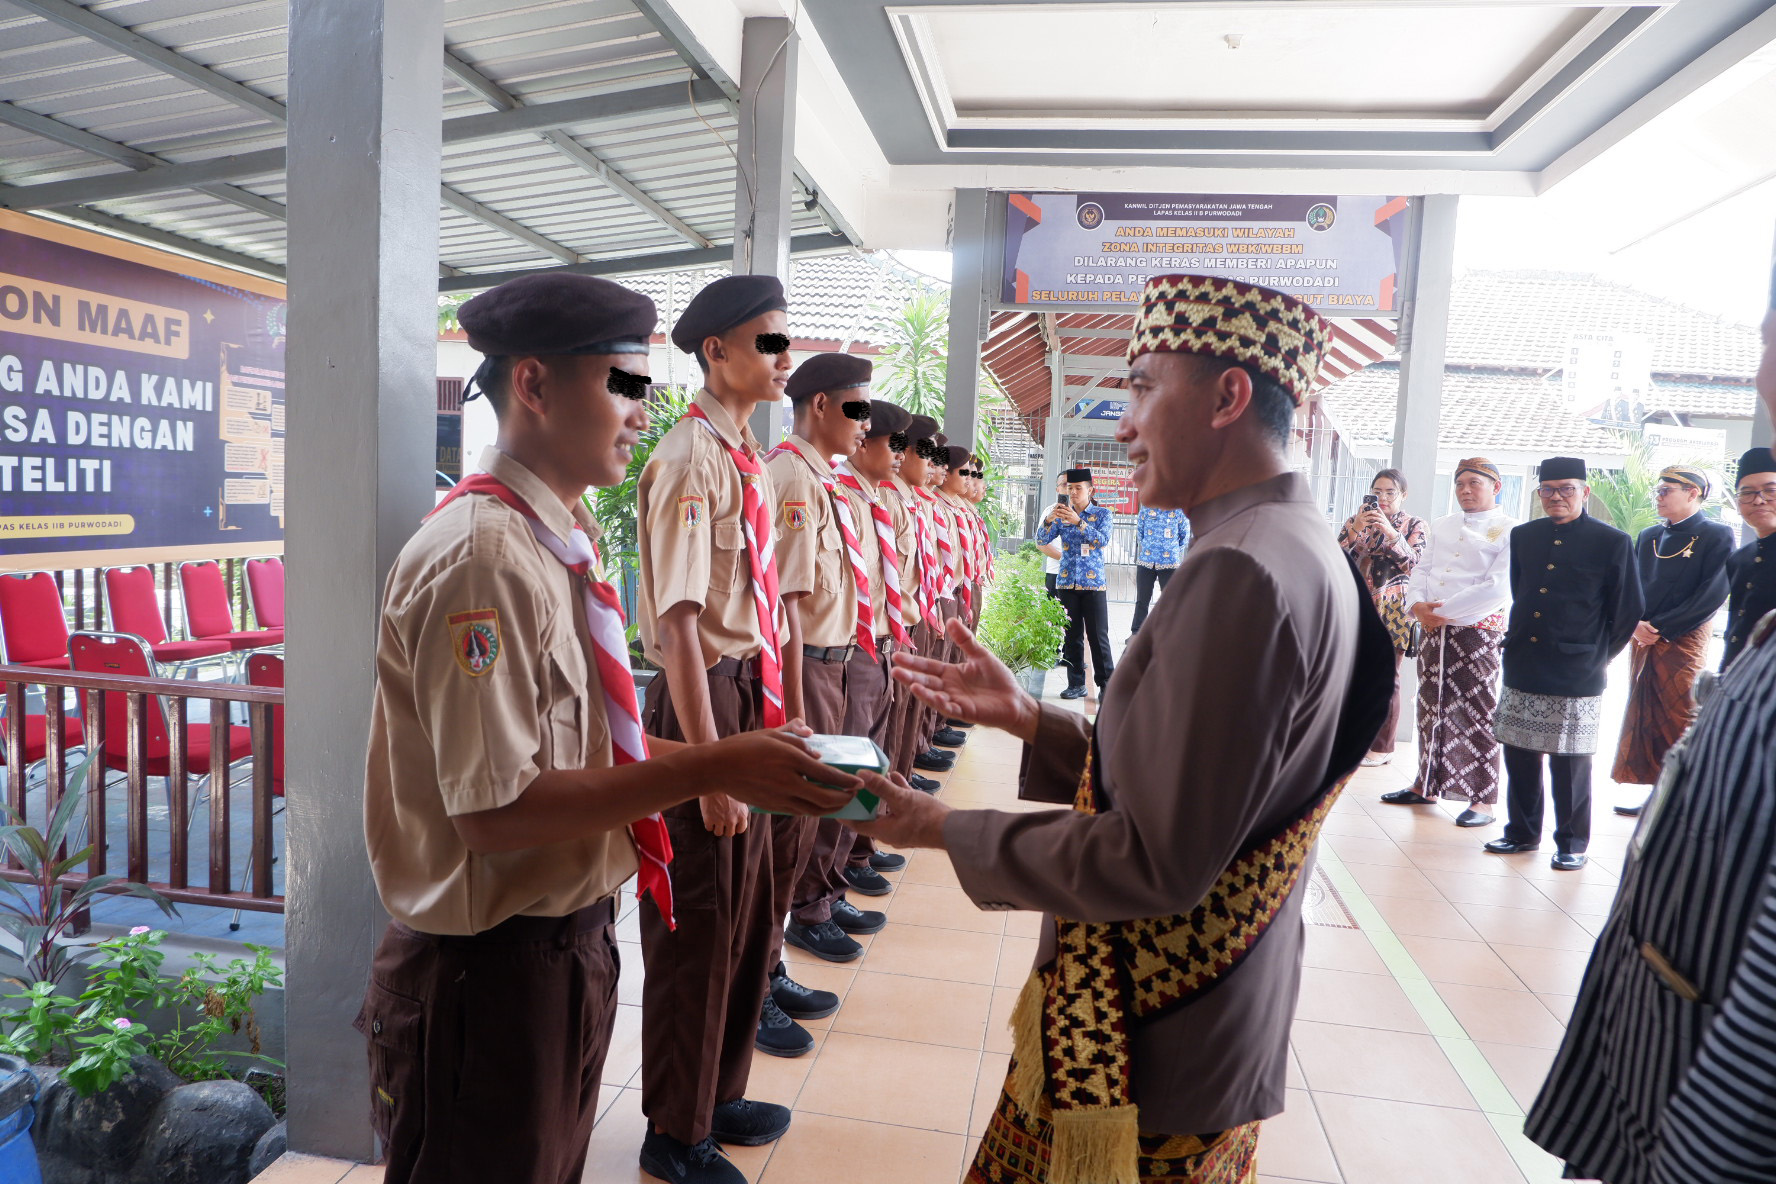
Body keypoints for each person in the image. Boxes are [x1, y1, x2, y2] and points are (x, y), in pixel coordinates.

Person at [854, 273, 1392, 1184]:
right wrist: (1030, 717)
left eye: (1144, 386)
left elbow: (1159, 858)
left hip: (1149, 1036)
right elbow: (1202, 784)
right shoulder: (1292, 544)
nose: (1125, 422)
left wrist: (933, 826)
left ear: (1227, 395)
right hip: (1204, 1013)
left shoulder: (1243, 572)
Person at [356, 272, 854, 1184]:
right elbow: (495, 813)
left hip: (561, 942)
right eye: (623, 384)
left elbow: (591, 746)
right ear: (536, 386)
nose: (639, 410)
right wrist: (711, 766)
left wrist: (727, 765)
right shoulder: (485, 559)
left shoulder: (556, 540)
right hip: (489, 967)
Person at [1523, 306, 1776, 1184]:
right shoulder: (1676, 543)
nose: (1760, 374)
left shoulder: (1711, 544)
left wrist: (1644, 632)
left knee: (1639, 736)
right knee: (1652, 744)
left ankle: (1568, 834)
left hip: (1706, 1134)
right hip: (1638, 1101)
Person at [634, 274, 812, 1183]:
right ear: (717, 351)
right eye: (771, 342)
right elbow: (678, 627)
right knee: (698, 919)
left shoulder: (742, 453)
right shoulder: (689, 459)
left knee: (746, 913)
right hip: (702, 699)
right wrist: (706, 771)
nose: (786, 357)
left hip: (751, 697)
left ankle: (719, 1091)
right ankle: (675, 1129)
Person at [767, 353, 894, 970]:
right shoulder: (792, 477)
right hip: (809, 664)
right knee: (808, 805)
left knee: (842, 791)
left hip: (840, 656)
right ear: (820, 405)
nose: (865, 424)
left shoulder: (823, 479)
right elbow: (788, 602)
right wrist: (793, 704)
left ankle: (822, 893)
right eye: (857, 408)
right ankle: (805, 912)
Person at [1484, 458, 1642, 872]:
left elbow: (1627, 610)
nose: (1557, 497)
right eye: (1548, 490)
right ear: (1539, 494)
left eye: (1566, 489)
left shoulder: (1612, 541)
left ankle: (1571, 842)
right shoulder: (1524, 535)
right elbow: (1521, 590)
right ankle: (1520, 831)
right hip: (1524, 658)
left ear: (1585, 492)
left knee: (1571, 760)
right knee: (1519, 751)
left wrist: (1596, 654)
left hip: (1578, 667)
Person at [1381, 458, 1515, 827]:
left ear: (1495, 487)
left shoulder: (1509, 530)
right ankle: (1426, 785)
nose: (1466, 491)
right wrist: (1417, 607)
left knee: (1477, 711)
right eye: (1460, 484)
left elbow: (1498, 586)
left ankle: (1483, 800)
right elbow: (1421, 570)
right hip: (1432, 628)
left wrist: (1443, 611)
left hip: (1476, 629)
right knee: (1430, 706)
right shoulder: (1441, 525)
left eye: (1475, 483)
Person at [1610, 465, 1732, 816]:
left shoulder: (1716, 534)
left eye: (1666, 490)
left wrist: (1661, 627)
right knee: (1645, 713)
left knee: (1680, 714)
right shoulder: (1649, 535)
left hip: (1683, 636)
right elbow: (1628, 587)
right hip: (1642, 636)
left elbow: (1713, 593)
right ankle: (1655, 796)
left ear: (1692, 493)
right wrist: (1635, 623)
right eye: (1657, 491)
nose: (1658, 497)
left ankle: (1684, 797)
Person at [1337, 469, 1428, 766]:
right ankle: (1353, 740)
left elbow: (1415, 565)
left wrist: (1391, 533)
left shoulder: (1414, 525)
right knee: (1353, 676)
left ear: (1403, 495)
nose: (1383, 498)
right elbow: (1332, 557)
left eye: (1390, 492)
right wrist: (1355, 529)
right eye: (1377, 491)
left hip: (1394, 611)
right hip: (1356, 606)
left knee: (1388, 678)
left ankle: (1383, 747)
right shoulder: (1356, 521)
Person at [1038, 467, 1115, 700]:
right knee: (1072, 637)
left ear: (1090, 490)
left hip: (1093, 585)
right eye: (1069, 488)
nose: (1072, 492)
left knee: (1098, 636)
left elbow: (1102, 540)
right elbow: (1041, 540)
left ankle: (1106, 684)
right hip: (1066, 583)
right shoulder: (1060, 514)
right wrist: (1050, 520)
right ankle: (1076, 684)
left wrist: (1079, 522)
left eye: (1078, 488)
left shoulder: (1103, 514)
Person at [1723, 446, 1776, 671]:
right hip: (1738, 685)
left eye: (1770, 490)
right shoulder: (1739, 559)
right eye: (1747, 493)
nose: (1758, 500)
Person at [1130, 502, 1190, 634]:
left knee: (1170, 601)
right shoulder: (1146, 508)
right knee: (1142, 600)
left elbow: (1184, 535)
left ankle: (1168, 634)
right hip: (1146, 560)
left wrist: (1171, 549)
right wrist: (1149, 547)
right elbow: (1140, 533)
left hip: (1169, 563)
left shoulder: (1179, 510)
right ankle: (1136, 633)